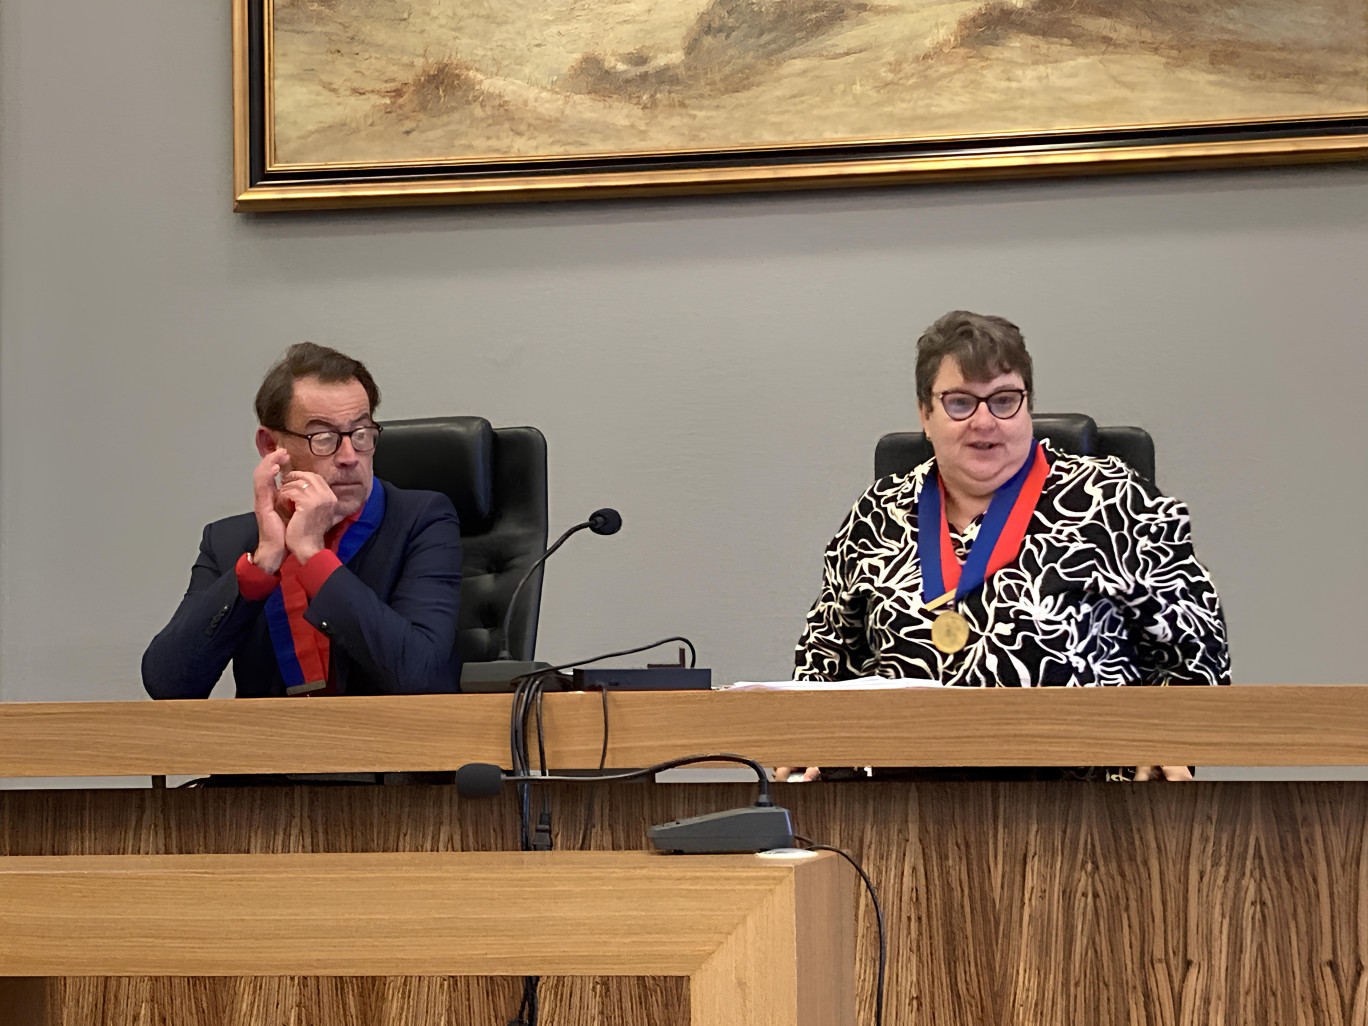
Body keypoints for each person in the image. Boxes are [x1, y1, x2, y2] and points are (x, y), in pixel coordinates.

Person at [791, 311, 1230, 781]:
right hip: (895, 817)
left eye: (1003, 401)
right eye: (960, 403)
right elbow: (822, 666)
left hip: (1092, 818)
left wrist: (1166, 745)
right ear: (925, 413)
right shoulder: (876, 515)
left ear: (1028, 405)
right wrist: (807, 746)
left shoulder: (1119, 503)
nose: (985, 422)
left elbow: (1197, 662)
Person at [143, 343, 463, 699]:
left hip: (388, 744)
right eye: (323, 437)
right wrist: (262, 563)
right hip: (272, 746)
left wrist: (313, 555)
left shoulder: (422, 520)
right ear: (270, 446)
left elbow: (421, 676)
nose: (348, 457)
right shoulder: (230, 540)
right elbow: (168, 685)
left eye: (361, 434)